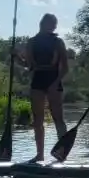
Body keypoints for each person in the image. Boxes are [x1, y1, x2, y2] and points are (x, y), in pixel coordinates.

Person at [23, 12, 70, 163]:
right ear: (42, 24)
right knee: (38, 120)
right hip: (38, 80)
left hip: (53, 79)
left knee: (58, 119)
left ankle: (62, 153)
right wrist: (16, 57)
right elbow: (29, 66)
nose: (53, 26)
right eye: (50, 23)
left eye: (54, 24)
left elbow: (65, 68)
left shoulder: (58, 42)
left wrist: (56, 83)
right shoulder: (31, 42)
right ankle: (39, 155)